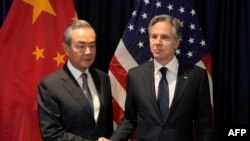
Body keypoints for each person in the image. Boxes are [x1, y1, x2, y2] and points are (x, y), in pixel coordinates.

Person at [99, 14, 213, 141]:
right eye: (154, 36)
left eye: (164, 37)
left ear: (176, 42)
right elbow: (130, 119)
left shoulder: (196, 76)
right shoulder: (135, 75)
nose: (157, 42)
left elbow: (203, 125)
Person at [37, 20, 113, 141]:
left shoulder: (103, 78)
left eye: (92, 45)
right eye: (81, 46)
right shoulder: (50, 86)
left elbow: (107, 124)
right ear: (66, 49)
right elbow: (51, 134)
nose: (88, 52)